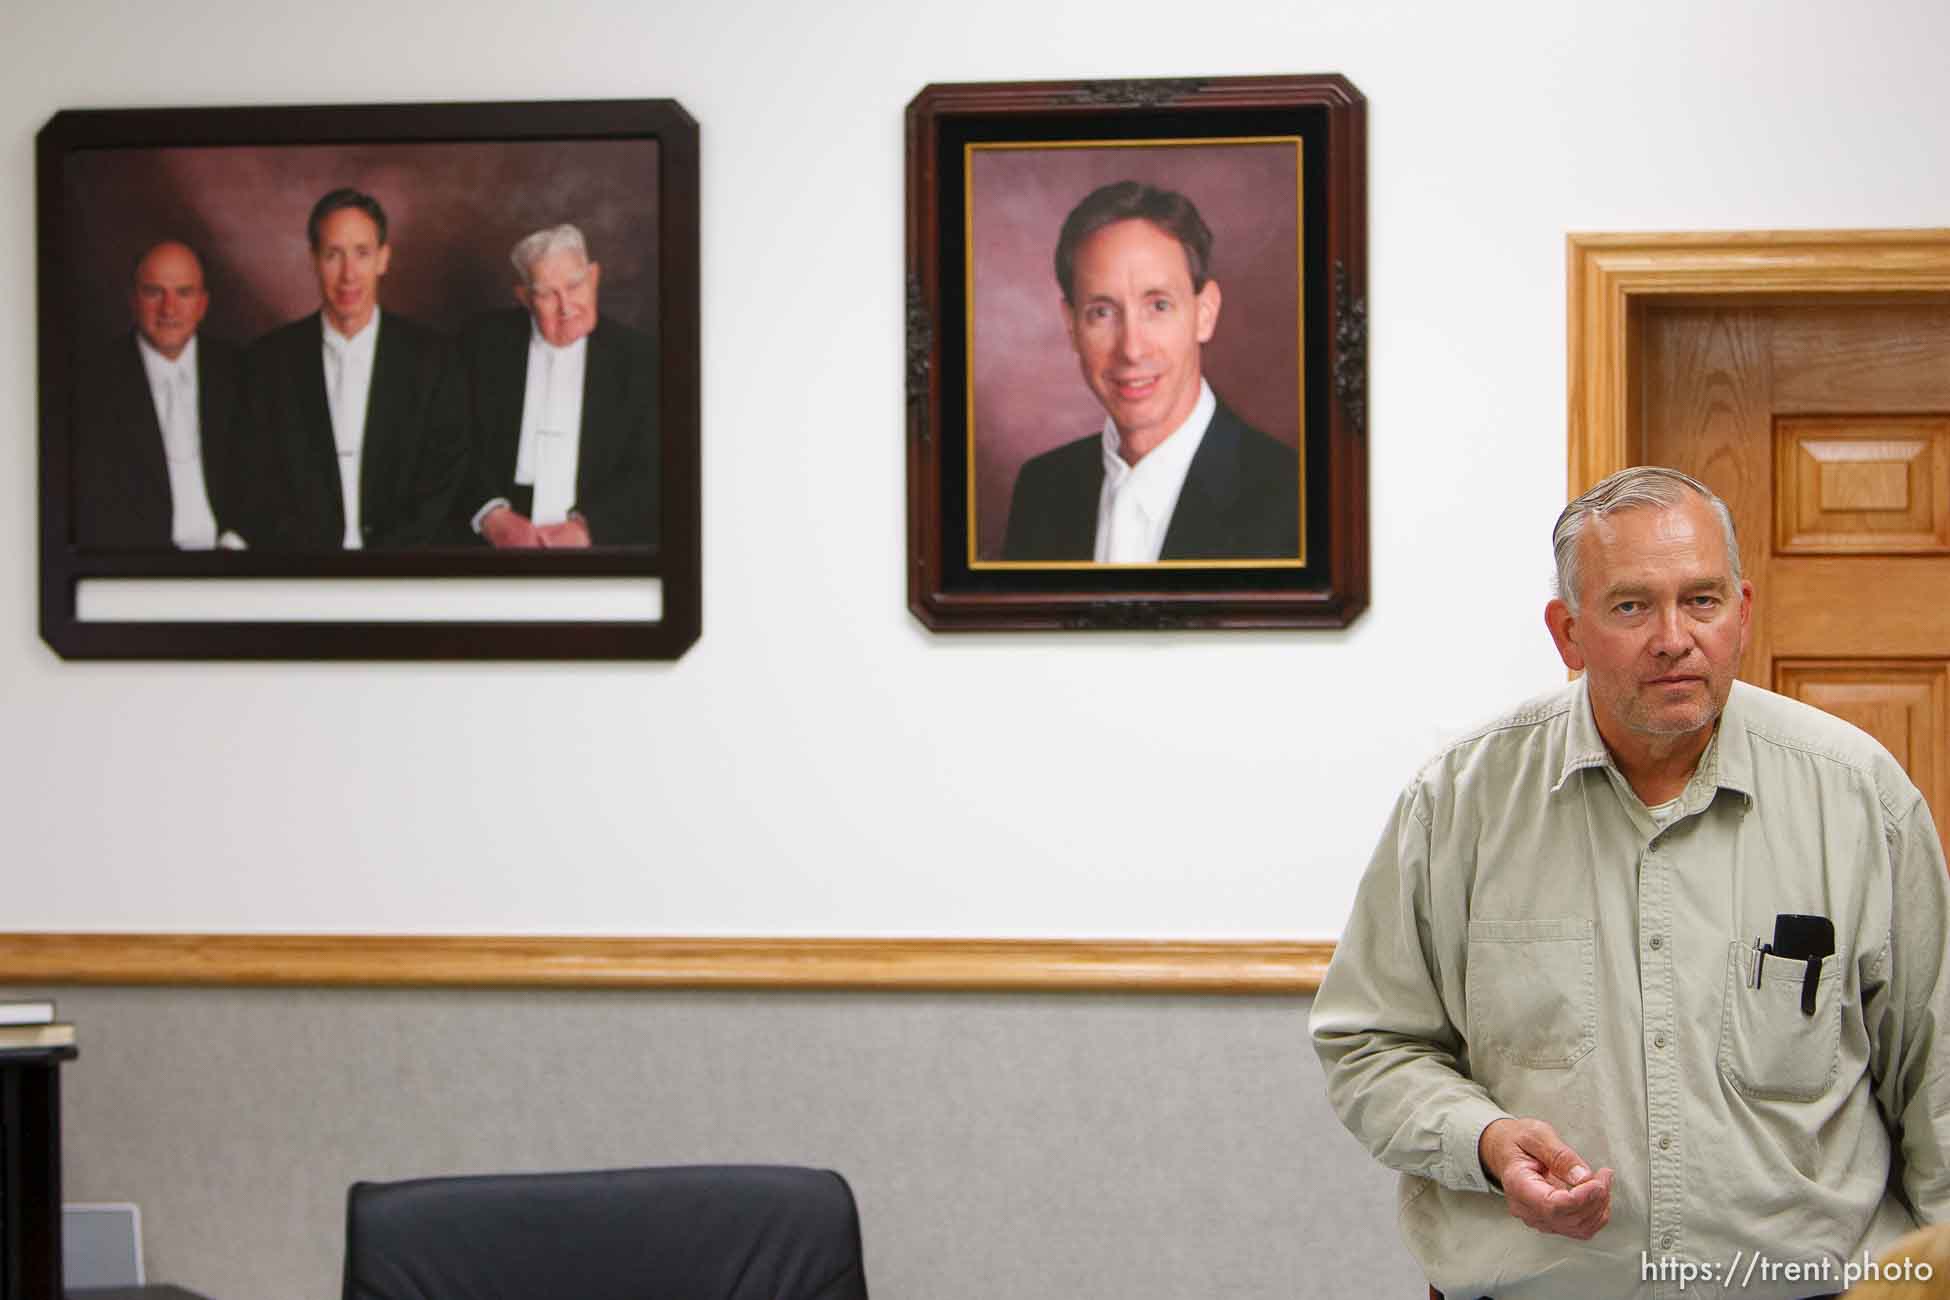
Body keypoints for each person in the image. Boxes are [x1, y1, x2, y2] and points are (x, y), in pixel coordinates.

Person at [1310, 466, 1949, 1300]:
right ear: (1567, 632)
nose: (1674, 637)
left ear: (1743, 612)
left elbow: (1935, 1073)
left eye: (1703, 600)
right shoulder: (1459, 803)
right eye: (1630, 606)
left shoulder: (1859, 794)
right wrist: (1485, 1139)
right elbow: (1370, 1043)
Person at [1000, 180, 1299, 563]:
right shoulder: (1041, 490)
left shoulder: (1295, 496)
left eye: (1158, 306)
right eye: (1102, 312)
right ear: (1071, 325)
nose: (1132, 349)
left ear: (1204, 314)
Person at [245, 188, 467, 550]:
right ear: (314, 259)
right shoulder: (268, 362)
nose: (349, 274)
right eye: (334, 254)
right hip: (303, 573)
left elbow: (442, 482)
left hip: (403, 573)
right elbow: (257, 483)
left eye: (362, 253)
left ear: (383, 259)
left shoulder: (433, 359)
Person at [454, 223, 657, 548]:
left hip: (598, 533)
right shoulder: (480, 344)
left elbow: (653, 468)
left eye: (575, 285)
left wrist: (590, 529)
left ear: (593, 276)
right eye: (547, 293)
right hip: (495, 529)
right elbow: (451, 443)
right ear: (523, 297)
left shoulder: (641, 358)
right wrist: (490, 514)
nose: (566, 307)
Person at [71, 241, 250, 550]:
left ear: (202, 304)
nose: (169, 308)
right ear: (133, 300)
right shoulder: (92, 382)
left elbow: (264, 479)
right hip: (137, 565)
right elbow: (90, 502)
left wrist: (235, 546)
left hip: (230, 560)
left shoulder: (239, 371)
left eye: (184, 293)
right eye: (154, 292)